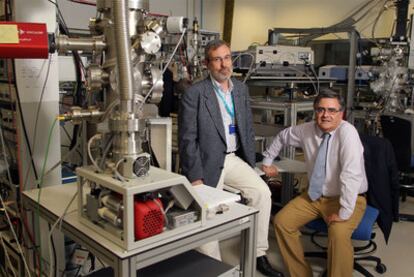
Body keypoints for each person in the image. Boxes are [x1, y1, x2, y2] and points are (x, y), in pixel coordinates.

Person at [179, 39, 284, 277]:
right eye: (217, 59)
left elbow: (246, 128)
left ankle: (258, 253)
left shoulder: (240, 89)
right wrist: (195, 177)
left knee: (261, 193)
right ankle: (212, 267)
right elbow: (187, 140)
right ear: (208, 64)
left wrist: (252, 163)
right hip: (207, 160)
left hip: (233, 158)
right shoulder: (195, 94)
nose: (223, 64)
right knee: (206, 212)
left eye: (227, 58)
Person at [261, 89, 368, 277]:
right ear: (314, 111)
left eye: (332, 110)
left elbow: (351, 176)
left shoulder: (347, 133)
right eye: (320, 110)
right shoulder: (306, 129)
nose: (325, 115)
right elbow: (282, 136)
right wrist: (268, 161)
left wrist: (344, 212)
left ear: (341, 113)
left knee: (338, 233)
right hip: (313, 196)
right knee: (282, 222)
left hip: (347, 196)